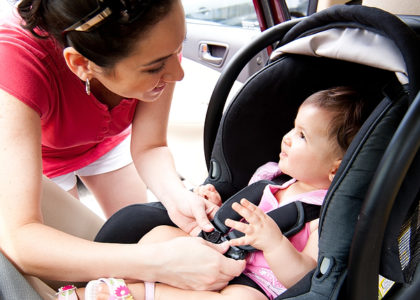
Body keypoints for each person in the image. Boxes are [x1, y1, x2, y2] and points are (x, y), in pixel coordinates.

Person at [0, 0, 246, 297]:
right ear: (81, 64)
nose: (177, 74)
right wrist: (159, 263)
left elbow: (150, 146)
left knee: (124, 230)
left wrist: (177, 197)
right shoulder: (16, 62)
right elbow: (22, 240)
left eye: (176, 49)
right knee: (68, 266)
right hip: (41, 157)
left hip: (105, 140)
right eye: (155, 66)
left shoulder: (157, 40)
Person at [60, 86, 369, 299]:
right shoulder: (270, 178)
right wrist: (215, 207)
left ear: (336, 169)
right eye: (292, 127)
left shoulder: (325, 213)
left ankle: (131, 293)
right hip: (216, 250)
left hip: (256, 285)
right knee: (159, 235)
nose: (287, 138)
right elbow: (234, 215)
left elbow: (304, 277)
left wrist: (275, 243)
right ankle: (124, 282)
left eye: (302, 136)